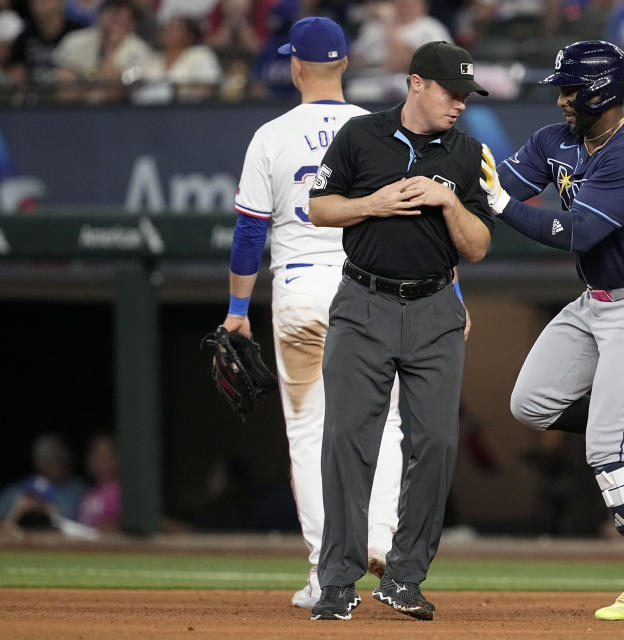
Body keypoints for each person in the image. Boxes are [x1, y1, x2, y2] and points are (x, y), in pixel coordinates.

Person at [478, 40, 624, 621]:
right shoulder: (554, 138)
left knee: (606, 443)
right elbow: (496, 183)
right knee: (531, 404)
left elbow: (575, 231)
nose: (561, 99)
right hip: (598, 301)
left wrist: (500, 204)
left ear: (602, 90)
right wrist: (448, 180)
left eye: (570, 89)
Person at [307, 40, 494, 621]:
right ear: (416, 84)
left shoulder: (469, 153)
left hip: (435, 307)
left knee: (436, 443)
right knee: (346, 443)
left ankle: (404, 578)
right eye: (451, 92)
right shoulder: (360, 136)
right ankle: (336, 581)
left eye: (466, 95)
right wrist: (374, 202)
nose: (460, 104)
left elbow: (479, 246)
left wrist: (446, 202)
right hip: (363, 302)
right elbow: (318, 207)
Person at [224, 16, 406, 610]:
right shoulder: (380, 130)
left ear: (296, 67)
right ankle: (378, 538)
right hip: (373, 289)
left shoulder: (271, 134)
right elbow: (415, 219)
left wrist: (236, 312)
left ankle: (325, 573)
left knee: (310, 434)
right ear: (346, 65)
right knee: (388, 422)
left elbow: (249, 236)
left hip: (301, 294)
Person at [50, 0, 153, 102]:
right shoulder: (75, 41)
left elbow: (114, 95)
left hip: (117, 113)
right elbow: (65, 91)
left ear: (133, 24)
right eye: (114, 13)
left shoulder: (140, 51)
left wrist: (110, 50)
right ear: (101, 14)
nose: (118, 20)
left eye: (126, 17)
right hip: (74, 110)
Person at [0, 433, 86, 532]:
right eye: (52, 459)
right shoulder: (15, 491)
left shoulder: (79, 489)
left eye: (61, 458)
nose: (58, 464)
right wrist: (17, 513)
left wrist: (52, 513)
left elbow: (88, 530)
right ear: (38, 462)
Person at [76, 433, 122, 531]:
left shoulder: (121, 491)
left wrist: (113, 526)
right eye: (95, 454)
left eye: (106, 454)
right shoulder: (89, 492)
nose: (100, 460)